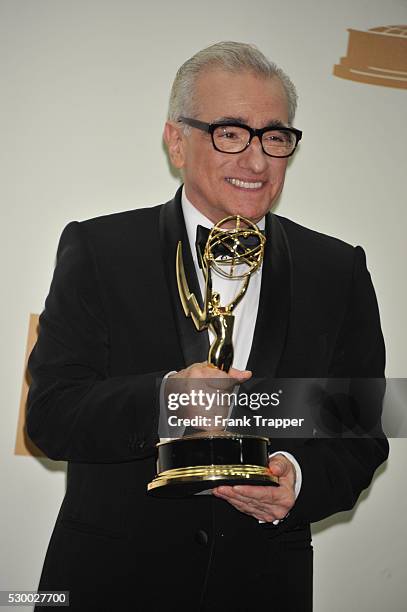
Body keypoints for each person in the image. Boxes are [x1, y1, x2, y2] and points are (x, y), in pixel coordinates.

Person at [27, 41, 388, 611]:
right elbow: (49, 415)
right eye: (229, 132)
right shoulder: (101, 249)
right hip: (110, 584)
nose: (256, 160)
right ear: (176, 140)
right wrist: (167, 400)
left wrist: (295, 478)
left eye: (274, 136)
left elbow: (360, 428)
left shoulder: (338, 269)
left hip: (265, 586)